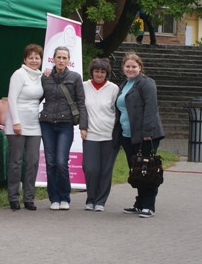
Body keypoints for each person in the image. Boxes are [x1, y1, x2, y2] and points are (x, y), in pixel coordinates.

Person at [113, 52, 165, 218]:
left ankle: (149, 206)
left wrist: (147, 133)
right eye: (127, 66)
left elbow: (151, 107)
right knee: (136, 170)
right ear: (123, 68)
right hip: (128, 135)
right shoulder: (124, 84)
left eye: (133, 66)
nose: (130, 69)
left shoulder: (146, 83)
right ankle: (139, 203)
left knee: (147, 169)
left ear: (140, 67)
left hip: (145, 135)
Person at [39, 46, 88, 211]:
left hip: (65, 124)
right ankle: (54, 198)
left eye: (64, 58)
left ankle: (65, 197)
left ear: (68, 60)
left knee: (61, 162)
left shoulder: (75, 77)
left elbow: (81, 102)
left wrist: (83, 125)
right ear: (53, 59)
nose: (61, 60)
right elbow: (36, 96)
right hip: (46, 123)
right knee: (50, 162)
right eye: (58, 57)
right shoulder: (45, 77)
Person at [4, 44, 44, 211]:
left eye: (37, 57)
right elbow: (11, 99)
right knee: (16, 161)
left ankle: (29, 198)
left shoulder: (42, 76)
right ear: (25, 59)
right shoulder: (19, 74)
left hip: (35, 123)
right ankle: (13, 197)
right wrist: (16, 122)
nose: (34, 60)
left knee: (33, 161)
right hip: (17, 122)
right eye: (31, 57)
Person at [81, 58, 119, 212]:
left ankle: (100, 201)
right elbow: (81, 108)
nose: (99, 74)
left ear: (107, 73)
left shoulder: (114, 88)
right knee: (90, 168)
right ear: (92, 72)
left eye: (103, 71)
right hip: (90, 134)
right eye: (97, 71)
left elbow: (118, 111)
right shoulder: (84, 86)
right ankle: (90, 198)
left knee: (105, 170)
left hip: (109, 135)